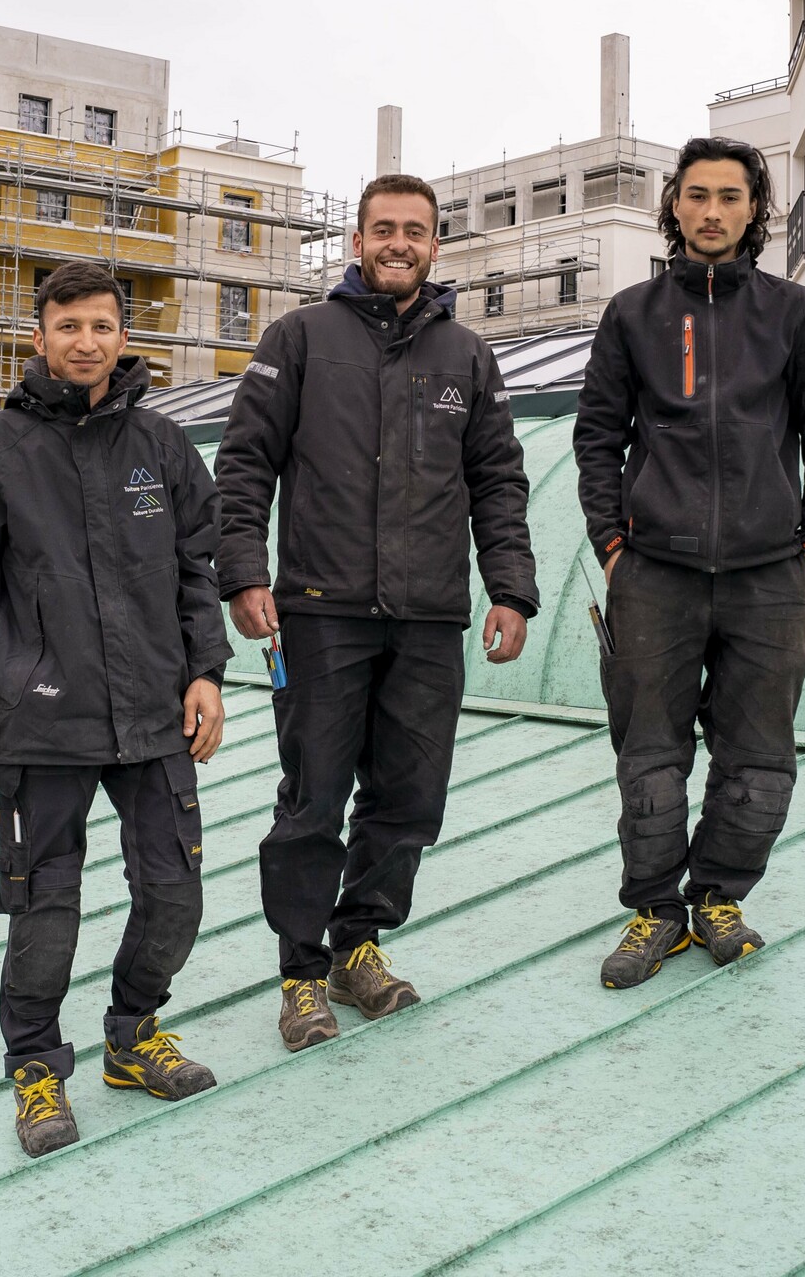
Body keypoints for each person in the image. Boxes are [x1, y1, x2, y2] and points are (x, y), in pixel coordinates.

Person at [215, 173, 539, 1052]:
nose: (400, 243)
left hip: (430, 621)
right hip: (319, 615)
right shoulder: (301, 339)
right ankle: (300, 973)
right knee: (313, 799)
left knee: (407, 800)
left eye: (417, 231)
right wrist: (243, 574)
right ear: (355, 244)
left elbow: (498, 482)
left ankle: (359, 945)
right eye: (384, 229)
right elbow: (243, 466)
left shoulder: (467, 357)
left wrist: (508, 586)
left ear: (436, 246)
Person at [0, 260, 234, 1158]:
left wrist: (206, 673)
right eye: (68, 327)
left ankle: (132, 1035)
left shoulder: (162, 447)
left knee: (174, 893)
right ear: (39, 337)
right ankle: (35, 1067)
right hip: (44, 719)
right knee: (45, 906)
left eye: (102, 326)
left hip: (152, 716)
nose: (86, 342)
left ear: (124, 338)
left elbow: (195, 571)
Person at [572, 136, 805, 990]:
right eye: (696, 196)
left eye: (729, 197)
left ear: (754, 211)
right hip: (653, 573)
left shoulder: (796, 313)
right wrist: (615, 550)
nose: (711, 212)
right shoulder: (631, 315)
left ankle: (719, 898)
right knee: (649, 754)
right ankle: (655, 910)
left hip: (770, 575)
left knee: (759, 754)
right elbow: (597, 438)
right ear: (674, 207)